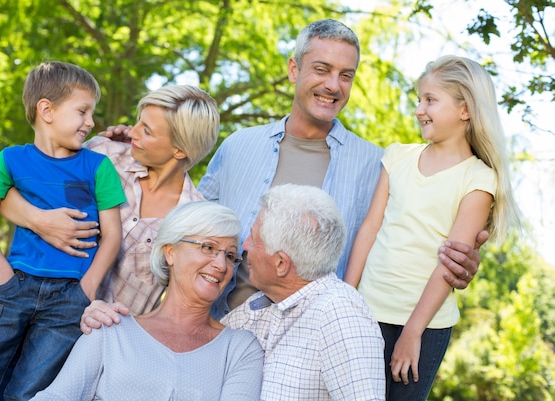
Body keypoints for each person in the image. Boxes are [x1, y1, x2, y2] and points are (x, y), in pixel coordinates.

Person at [196, 19, 488, 318]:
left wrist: (460, 261)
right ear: (294, 69)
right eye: (321, 69)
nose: (333, 85)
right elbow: (190, 229)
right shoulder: (238, 146)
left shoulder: (378, 166)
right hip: (222, 331)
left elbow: (412, 242)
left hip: (314, 345)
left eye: (345, 75)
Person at [0, 61, 125, 401]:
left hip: (69, 299)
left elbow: (113, 234)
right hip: (14, 288)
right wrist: (0, 272)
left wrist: (88, 287)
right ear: (46, 110)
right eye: (82, 111)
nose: (90, 122)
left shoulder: (98, 166)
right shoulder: (9, 160)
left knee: (28, 392)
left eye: (92, 113)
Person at [344, 55, 522, 400]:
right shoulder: (397, 157)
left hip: (426, 326)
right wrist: (345, 298)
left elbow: (450, 260)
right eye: (418, 99)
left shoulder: (479, 180)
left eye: (430, 100)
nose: (418, 109)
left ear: (465, 109)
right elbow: (370, 229)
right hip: (366, 312)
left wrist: (412, 332)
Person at [0, 85, 220, 316]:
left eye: (147, 131)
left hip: (102, 342)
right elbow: (1, 194)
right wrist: (39, 220)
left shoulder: (195, 224)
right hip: (28, 308)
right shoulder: (104, 155)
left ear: (180, 150)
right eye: (138, 122)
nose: (132, 133)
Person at [30, 201, 264, 401]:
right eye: (208, 247)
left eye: (230, 256)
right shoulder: (110, 331)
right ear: (170, 252)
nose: (221, 265)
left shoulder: (240, 349)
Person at [222, 184, 386, 400]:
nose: (245, 245)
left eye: (254, 239)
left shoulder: (339, 313)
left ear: (281, 263)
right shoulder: (263, 304)